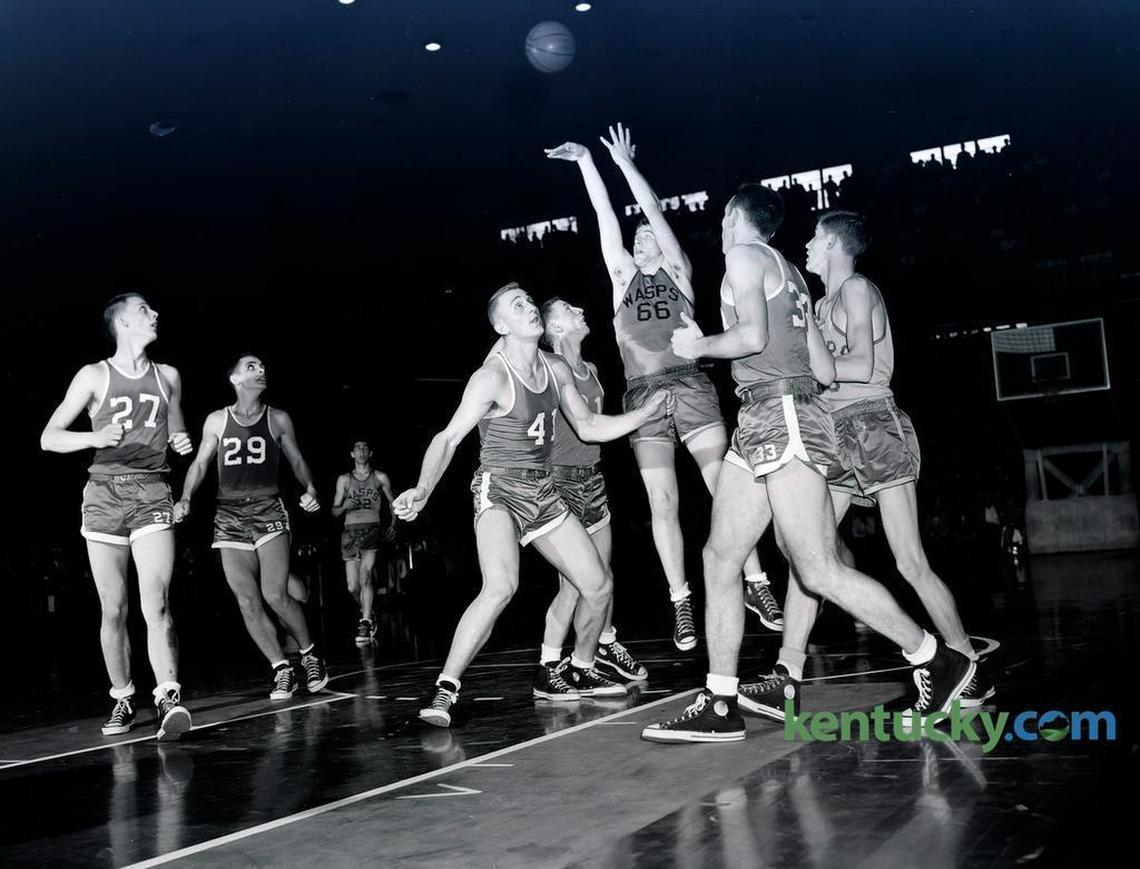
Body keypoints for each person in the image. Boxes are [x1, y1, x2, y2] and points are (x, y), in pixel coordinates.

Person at [641, 185, 975, 743]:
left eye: (723, 215)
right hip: (767, 414)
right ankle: (721, 700)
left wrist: (698, 347)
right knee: (721, 555)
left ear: (736, 217)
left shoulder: (743, 255)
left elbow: (749, 336)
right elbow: (822, 367)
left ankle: (935, 658)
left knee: (816, 566)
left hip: (783, 415)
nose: (719, 224)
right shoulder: (793, 273)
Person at [737, 211, 993, 721]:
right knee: (810, 555)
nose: (806, 246)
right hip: (833, 433)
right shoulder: (818, 300)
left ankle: (965, 668)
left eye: (813, 238)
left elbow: (865, 365)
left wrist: (810, 366)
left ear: (833, 243)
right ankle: (787, 673)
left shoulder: (856, 289)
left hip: (872, 425)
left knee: (908, 561)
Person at [393, 283, 673, 727]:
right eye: (517, 305)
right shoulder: (493, 376)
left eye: (529, 301)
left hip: (543, 489)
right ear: (501, 326)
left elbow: (588, 426)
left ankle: (579, 670)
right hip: (500, 489)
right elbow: (447, 438)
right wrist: (423, 489)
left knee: (598, 585)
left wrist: (645, 413)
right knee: (501, 586)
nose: (529, 307)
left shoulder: (556, 367)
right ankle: (445, 688)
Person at [547, 125, 781, 651]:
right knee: (663, 502)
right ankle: (680, 600)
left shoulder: (678, 271)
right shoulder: (621, 279)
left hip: (691, 385)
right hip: (643, 393)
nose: (640, 236)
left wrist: (624, 163)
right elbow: (607, 218)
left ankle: (757, 583)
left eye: (647, 234)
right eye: (636, 239)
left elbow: (649, 208)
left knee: (724, 487)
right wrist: (586, 162)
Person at [40, 293, 193, 740]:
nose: (156, 314)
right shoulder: (94, 375)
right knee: (114, 609)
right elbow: (49, 437)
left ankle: (168, 696)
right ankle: (123, 695)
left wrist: (181, 441)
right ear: (123, 322)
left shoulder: (168, 376)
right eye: (146, 310)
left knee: (157, 601)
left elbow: (177, 428)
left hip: (151, 491)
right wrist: (96, 435)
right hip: (104, 495)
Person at [174, 355, 329, 701]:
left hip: (267, 509)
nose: (260, 370)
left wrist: (311, 489)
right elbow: (200, 463)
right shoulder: (216, 420)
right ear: (234, 378)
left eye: (262, 367)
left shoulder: (277, 418)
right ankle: (281, 669)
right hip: (228, 516)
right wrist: (185, 497)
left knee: (275, 594)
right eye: (251, 366)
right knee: (247, 600)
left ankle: (309, 655)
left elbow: (298, 460)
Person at [531, 298, 649, 699]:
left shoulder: (593, 372)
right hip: (560, 483)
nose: (580, 309)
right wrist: (646, 413)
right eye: (568, 308)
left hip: (593, 481)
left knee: (603, 579)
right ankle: (549, 668)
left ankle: (595, 654)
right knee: (574, 586)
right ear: (554, 328)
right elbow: (585, 428)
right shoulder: (546, 365)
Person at [331, 441, 395, 646]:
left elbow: (392, 502)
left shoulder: (379, 477)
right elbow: (334, 511)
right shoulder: (344, 479)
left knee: (365, 575)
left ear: (370, 452)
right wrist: (344, 507)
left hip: (371, 529)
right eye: (357, 448)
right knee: (352, 586)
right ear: (352, 454)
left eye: (365, 447)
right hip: (350, 531)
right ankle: (368, 610)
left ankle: (365, 622)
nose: (361, 451)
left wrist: (394, 523)